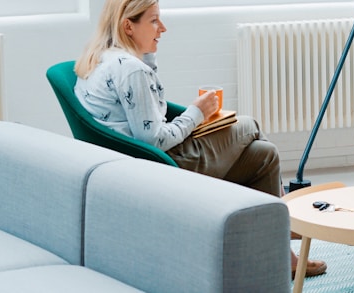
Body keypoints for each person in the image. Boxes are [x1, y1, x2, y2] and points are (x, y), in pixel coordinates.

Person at [73, 0, 325, 278]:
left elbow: (147, 119)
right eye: (154, 21)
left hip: (138, 164)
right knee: (249, 124)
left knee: (263, 154)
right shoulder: (132, 70)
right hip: (164, 165)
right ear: (127, 26)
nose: (163, 28)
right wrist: (196, 112)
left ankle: (276, 250)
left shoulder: (103, 58)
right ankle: (283, 222)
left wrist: (149, 59)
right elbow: (154, 140)